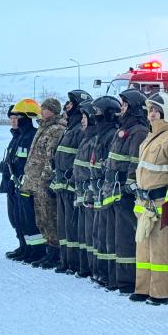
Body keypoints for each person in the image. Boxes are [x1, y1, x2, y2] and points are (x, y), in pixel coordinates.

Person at [132, 91, 168, 305]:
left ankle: (161, 291)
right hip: (145, 202)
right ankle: (143, 288)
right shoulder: (149, 137)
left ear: (167, 112)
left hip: (162, 202)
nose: (151, 114)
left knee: (161, 248)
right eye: (150, 110)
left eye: (156, 110)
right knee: (144, 248)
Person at [104, 89, 149, 295]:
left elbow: (134, 162)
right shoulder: (123, 128)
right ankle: (116, 277)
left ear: (132, 107)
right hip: (114, 190)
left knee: (126, 237)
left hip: (125, 192)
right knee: (116, 235)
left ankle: (127, 280)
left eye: (124, 104)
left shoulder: (138, 130)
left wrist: (129, 185)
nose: (121, 108)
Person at [20, 97, 67, 269]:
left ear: (53, 111)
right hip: (34, 182)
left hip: (43, 182)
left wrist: (46, 180)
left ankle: (55, 253)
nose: (42, 111)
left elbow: (50, 158)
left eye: (45, 109)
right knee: (41, 218)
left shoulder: (55, 130)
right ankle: (48, 251)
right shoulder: (43, 127)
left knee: (49, 217)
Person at [52, 90, 91, 274]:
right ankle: (65, 260)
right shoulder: (70, 128)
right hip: (62, 184)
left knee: (72, 225)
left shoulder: (79, 130)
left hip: (71, 185)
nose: (66, 107)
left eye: (69, 103)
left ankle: (74, 262)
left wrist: (71, 176)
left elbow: (80, 157)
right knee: (63, 225)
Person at [88, 96, 122, 288]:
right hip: (99, 189)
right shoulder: (100, 134)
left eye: (98, 113)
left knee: (108, 235)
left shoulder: (111, 134)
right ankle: (101, 272)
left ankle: (110, 275)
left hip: (109, 190)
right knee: (99, 233)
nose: (95, 117)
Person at [11, 99, 45, 263]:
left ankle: (36, 251)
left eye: (17, 116)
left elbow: (30, 163)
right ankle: (26, 247)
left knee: (30, 220)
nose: (15, 119)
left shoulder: (31, 136)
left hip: (28, 185)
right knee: (19, 219)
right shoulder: (20, 136)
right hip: (18, 183)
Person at [73, 102, 98, 278]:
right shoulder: (86, 138)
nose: (82, 121)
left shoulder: (95, 140)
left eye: (85, 117)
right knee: (82, 231)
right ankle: (84, 266)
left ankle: (91, 268)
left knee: (91, 232)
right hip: (81, 191)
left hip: (90, 192)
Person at [0, 105, 26, 260]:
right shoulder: (15, 137)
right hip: (10, 182)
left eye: (17, 118)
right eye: (11, 118)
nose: (14, 122)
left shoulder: (25, 136)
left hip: (19, 182)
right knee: (14, 217)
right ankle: (22, 245)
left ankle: (28, 247)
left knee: (22, 218)